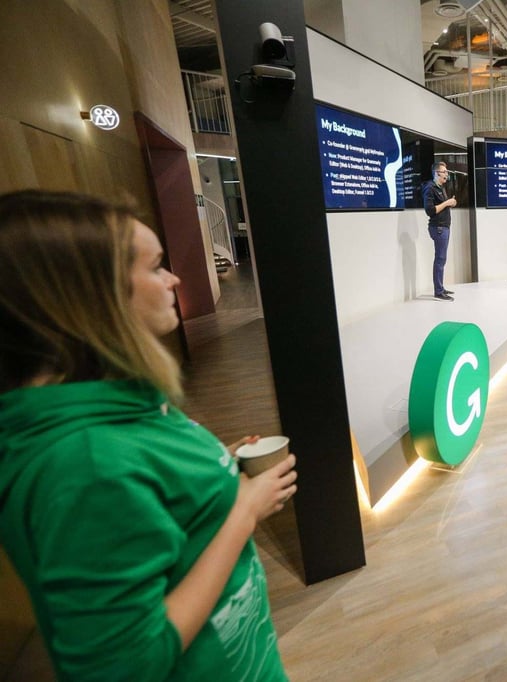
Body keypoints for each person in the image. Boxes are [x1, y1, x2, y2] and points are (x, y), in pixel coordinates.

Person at [0, 190, 296, 680]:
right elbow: (127, 665)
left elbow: (144, 504)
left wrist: (210, 466)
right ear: (92, 296)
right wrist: (244, 510)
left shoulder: (122, 405)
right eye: (156, 267)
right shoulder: (84, 465)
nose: (174, 279)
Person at [423, 161, 457, 301]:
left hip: (444, 227)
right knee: (440, 259)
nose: (447, 174)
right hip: (438, 228)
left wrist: (451, 203)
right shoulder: (430, 188)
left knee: (442, 259)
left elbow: (443, 206)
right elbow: (430, 211)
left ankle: (441, 288)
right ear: (437, 173)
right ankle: (438, 291)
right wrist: (447, 203)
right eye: (444, 172)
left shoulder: (441, 187)